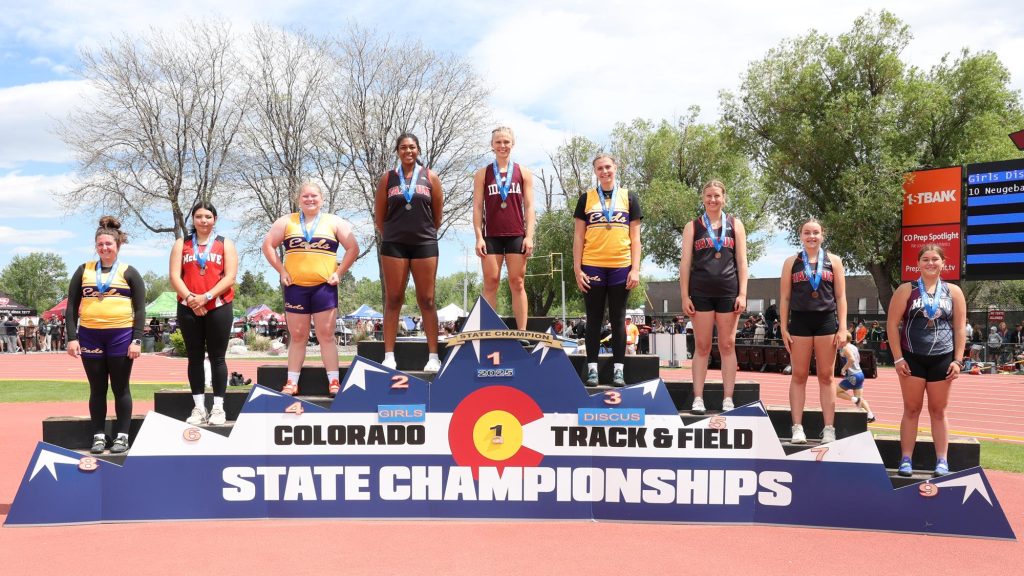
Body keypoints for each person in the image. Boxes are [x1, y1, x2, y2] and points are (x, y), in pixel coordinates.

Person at [263, 182, 359, 396]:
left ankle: (334, 381)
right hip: (296, 287)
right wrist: (281, 270)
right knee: (298, 336)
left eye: (314, 196)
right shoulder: (287, 221)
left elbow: (353, 247)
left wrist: (339, 272)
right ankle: (292, 382)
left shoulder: (333, 222)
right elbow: (267, 245)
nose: (310, 199)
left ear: (321, 199)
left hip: (324, 287)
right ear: (299, 199)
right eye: (305, 196)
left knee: (326, 335)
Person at [66, 216, 145, 454]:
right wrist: (72, 337)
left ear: (118, 245)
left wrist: (137, 339)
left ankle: (122, 436)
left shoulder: (129, 272)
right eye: (100, 244)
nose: (104, 248)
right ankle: (99, 435)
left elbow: (140, 309)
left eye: (109, 244)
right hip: (90, 336)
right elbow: (71, 307)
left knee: (121, 388)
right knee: (97, 389)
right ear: (95, 246)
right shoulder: (83, 271)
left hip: (121, 336)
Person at [887, 244, 966, 477]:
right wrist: (898, 358)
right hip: (912, 357)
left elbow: (960, 327)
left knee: (938, 411)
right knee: (911, 409)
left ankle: (942, 460)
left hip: (943, 358)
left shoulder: (953, 291)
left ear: (944, 263)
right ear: (918, 263)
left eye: (935, 259)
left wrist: (958, 361)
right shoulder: (906, 289)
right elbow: (892, 325)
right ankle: (906, 459)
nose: (930, 263)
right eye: (925, 259)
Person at [375, 133, 444, 372]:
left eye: (412, 147)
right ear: (397, 151)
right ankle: (389, 356)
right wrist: (396, 234)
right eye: (403, 147)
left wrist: (421, 233)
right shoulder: (388, 178)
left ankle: (433, 356)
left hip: (424, 243)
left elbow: (437, 215)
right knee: (393, 299)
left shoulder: (430, 177)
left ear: (418, 150)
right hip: (394, 244)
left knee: (427, 299)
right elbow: (379, 217)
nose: (408, 151)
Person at [679, 180, 748, 413]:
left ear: (724, 198)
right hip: (701, 293)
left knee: (728, 344)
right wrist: (684, 295)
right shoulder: (693, 226)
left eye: (717, 196)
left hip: (729, 291)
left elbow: (742, 261)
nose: (712, 200)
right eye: (708, 196)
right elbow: (685, 263)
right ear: (703, 198)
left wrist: (743, 293)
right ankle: (698, 397)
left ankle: (728, 398)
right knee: (702, 345)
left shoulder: (735, 225)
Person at [573, 154, 642, 386]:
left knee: (618, 317)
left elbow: (636, 237)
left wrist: (635, 269)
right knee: (593, 318)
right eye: (600, 168)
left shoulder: (629, 197)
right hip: (592, 263)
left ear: (616, 168)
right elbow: (578, 236)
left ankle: (618, 370)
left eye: (608, 167)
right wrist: (576, 268)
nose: (604, 172)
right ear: (595, 171)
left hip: (621, 265)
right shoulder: (586, 199)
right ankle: (592, 368)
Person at [170, 202, 239, 426]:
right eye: (199, 216)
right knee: (195, 357)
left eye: (208, 216)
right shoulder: (182, 243)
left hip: (217, 305)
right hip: (189, 306)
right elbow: (174, 276)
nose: (203, 220)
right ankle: (199, 408)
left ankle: (218, 407)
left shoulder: (224, 244)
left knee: (218, 357)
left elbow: (230, 277)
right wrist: (191, 298)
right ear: (193, 219)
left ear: (215, 219)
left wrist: (206, 297)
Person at [779, 219, 846, 444]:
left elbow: (840, 297)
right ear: (801, 236)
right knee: (799, 375)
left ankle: (829, 428)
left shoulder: (834, 261)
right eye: (807, 233)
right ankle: (797, 427)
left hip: (826, 321)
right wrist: (783, 326)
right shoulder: (792, 262)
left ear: (822, 235)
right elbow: (785, 297)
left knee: (826, 376)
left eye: (816, 232)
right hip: (799, 322)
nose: (811, 236)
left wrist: (843, 327)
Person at [473, 126, 535, 330]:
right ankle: (488, 330)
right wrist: (479, 237)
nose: (502, 145)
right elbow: (477, 207)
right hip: (491, 236)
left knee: (517, 283)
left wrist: (529, 236)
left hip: (517, 234)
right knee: (491, 283)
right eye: (498, 142)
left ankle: (522, 332)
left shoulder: (523, 172)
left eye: (506, 142)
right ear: (492, 145)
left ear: (512, 144)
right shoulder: (482, 174)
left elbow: (529, 206)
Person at [836, 331, 875, 423]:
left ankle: (854, 399)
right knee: (860, 400)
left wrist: (844, 369)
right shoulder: (854, 347)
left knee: (836, 392)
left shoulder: (845, 348)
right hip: (860, 374)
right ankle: (870, 415)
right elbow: (858, 359)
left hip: (853, 375)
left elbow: (852, 359)